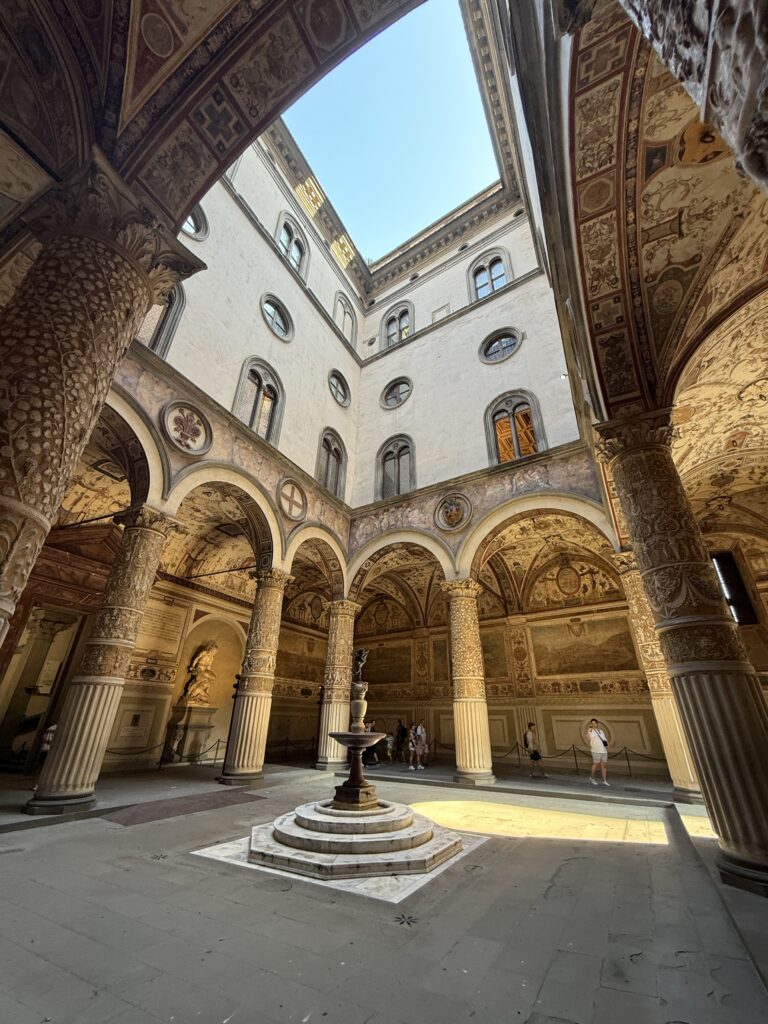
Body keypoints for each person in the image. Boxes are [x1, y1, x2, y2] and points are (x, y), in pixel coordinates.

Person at [587, 718, 610, 786]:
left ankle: (604, 780)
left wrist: (607, 745)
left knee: (604, 766)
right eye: (592, 723)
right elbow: (588, 738)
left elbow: (605, 740)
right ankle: (592, 778)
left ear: (597, 724)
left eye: (595, 723)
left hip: (603, 751)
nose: (593, 724)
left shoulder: (601, 731)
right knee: (596, 764)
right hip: (595, 751)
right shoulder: (590, 731)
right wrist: (588, 731)